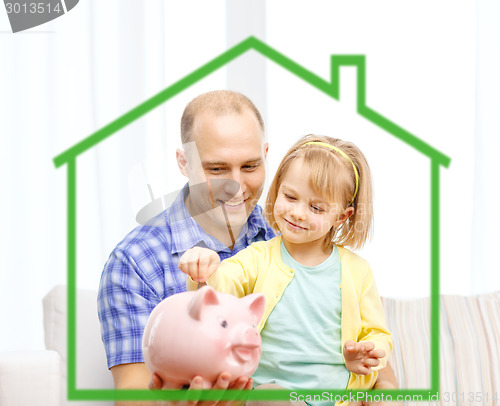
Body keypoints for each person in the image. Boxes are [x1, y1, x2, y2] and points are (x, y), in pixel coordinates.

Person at [97, 91, 399, 406]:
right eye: (216, 169)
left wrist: (385, 389)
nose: (237, 186)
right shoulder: (134, 262)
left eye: (250, 166)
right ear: (184, 163)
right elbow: (136, 398)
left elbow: (362, 343)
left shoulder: (291, 234)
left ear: (266, 155)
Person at [179, 134, 393, 405]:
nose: (298, 213)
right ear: (277, 189)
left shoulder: (357, 271)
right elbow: (219, 289)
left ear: (341, 216)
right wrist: (203, 270)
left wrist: (369, 351)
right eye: (290, 196)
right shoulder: (258, 257)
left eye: (316, 207)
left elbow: (377, 334)